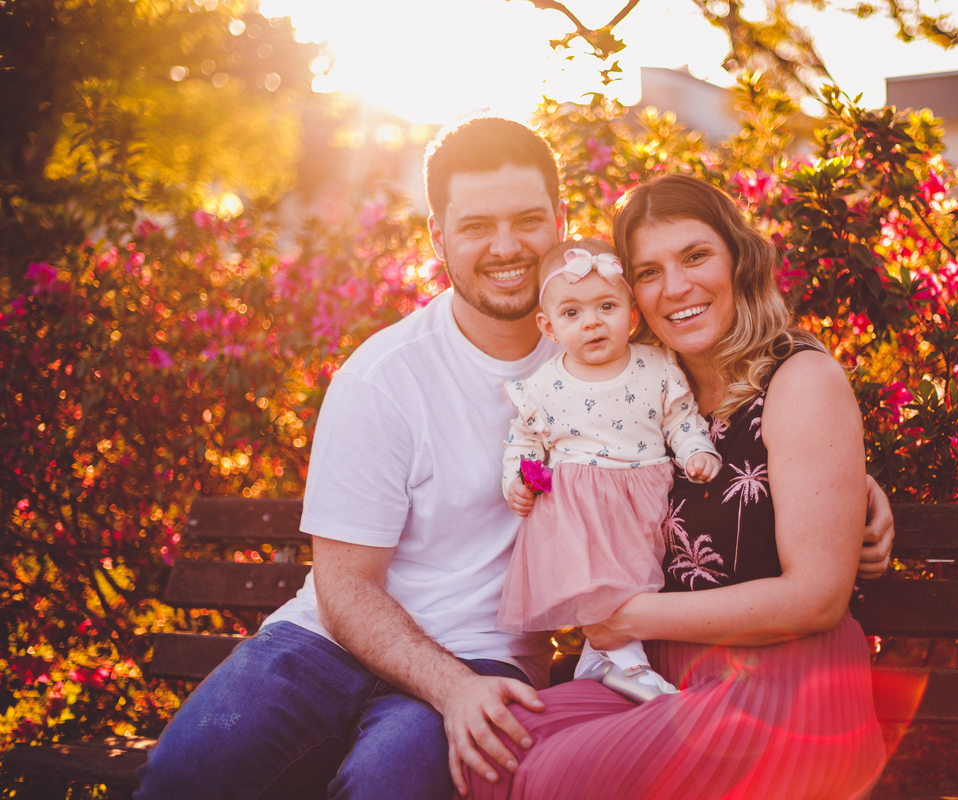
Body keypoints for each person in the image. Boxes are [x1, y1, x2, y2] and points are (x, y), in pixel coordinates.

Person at [135, 118, 895, 800]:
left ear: (561, 225)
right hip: (331, 644)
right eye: (477, 226)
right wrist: (448, 688)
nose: (506, 246)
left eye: (528, 220)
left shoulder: (620, 351)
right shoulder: (385, 375)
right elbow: (341, 582)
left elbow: (747, 416)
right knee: (182, 778)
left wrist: (849, 484)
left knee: (394, 786)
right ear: (437, 236)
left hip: (495, 656)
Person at [467, 173, 887, 800]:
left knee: (556, 778)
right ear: (629, 292)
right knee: (492, 750)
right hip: (660, 675)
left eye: (695, 256)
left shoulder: (799, 379)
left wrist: (626, 615)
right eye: (649, 271)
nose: (677, 287)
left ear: (738, 259)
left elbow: (817, 599)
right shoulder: (641, 387)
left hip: (782, 686)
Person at [499, 238, 720, 702]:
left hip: (642, 492)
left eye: (606, 306)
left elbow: (680, 417)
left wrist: (696, 449)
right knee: (601, 577)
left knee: (635, 576)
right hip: (575, 501)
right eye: (572, 313)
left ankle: (599, 660)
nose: (593, 322)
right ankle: (631, 665)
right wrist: (518, 480)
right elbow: (525, 442)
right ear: (549, 326)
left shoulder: (656, 366)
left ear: (632, 314)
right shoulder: (543, 384)